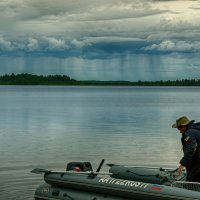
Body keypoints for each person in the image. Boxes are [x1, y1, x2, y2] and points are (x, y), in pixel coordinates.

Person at [172, 116, 200, 182]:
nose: (179, 131)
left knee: (191, 182)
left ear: (184, 126)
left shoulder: (188, 133)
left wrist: (183, 164)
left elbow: (191, 148)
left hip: (197, 165)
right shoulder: (197, 130)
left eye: (179, 128)